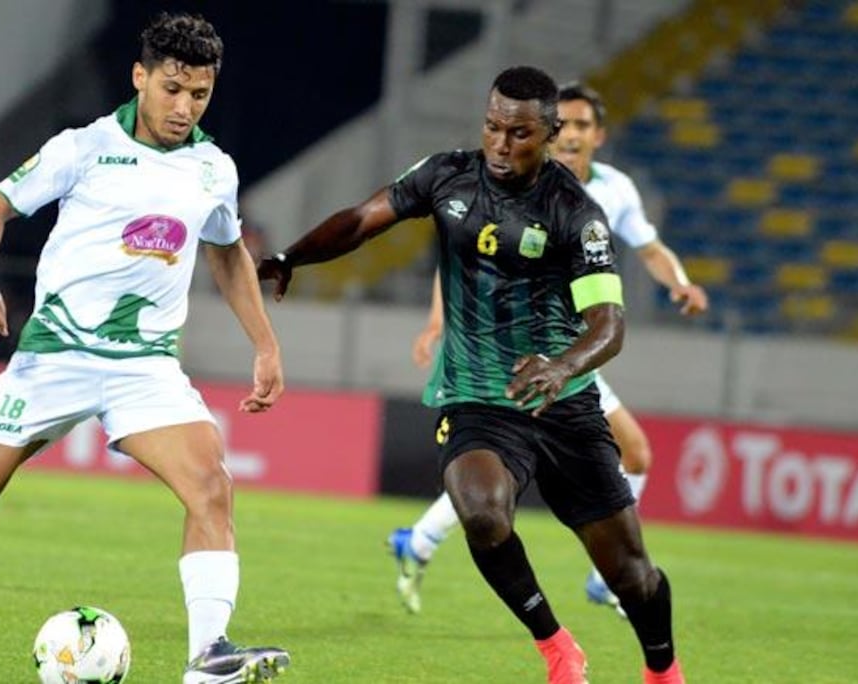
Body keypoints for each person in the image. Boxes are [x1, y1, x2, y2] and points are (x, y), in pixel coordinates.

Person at [0, 14, 291, 684]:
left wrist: (264, 344)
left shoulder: (214, 168)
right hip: (54, 358)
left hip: (144, 367)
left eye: (200, 94)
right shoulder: (84, 148)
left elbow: (227, 251)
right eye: (172, 89)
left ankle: (208, 655)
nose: (184, 107)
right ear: (140, 77)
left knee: (211, 487)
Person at [259, 66, 683, 684]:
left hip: (562, 404)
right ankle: (557, 647)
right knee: (482, 513)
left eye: (519, 133)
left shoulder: (576, 213)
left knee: (631, 575)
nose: (501, 145)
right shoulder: (446, 175)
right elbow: (360, 220)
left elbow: (609, 325)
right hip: (476, 397)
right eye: (492, 128)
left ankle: (663, 671)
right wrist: (289, 256)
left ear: (549, 134)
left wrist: (562, 366)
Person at [392, 82, 709, 618]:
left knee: (605, 456)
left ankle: (420, 539)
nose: (572, 134)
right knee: (516, 466)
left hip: (571, 355)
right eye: (566, 124)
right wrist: (437, 322)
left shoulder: (613, 191)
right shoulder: (516, 182)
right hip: (520, 354)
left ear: (597, 135)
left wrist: (679, 282)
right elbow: (467, 252)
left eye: (584, 125)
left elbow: (651, 248)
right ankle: (602, 581)